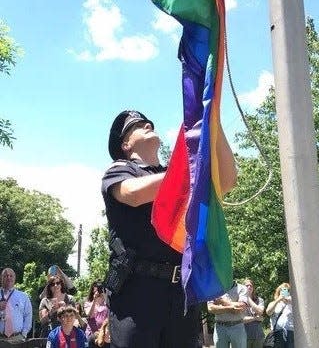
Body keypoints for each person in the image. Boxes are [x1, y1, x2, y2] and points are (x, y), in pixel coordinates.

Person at [101, 110, 237, 348]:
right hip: (138, 292)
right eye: (137, 125)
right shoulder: (120, 171)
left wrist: (212, 123)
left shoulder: (177, 177)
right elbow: (134, 194)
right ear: (125, 143)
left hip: (181, 291)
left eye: (149, 122)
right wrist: (191, 175)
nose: (148, 124)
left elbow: (227, 181)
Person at [207, 282, 248, 348]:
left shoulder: (242, 288)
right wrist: (230, 308)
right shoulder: (214, 288)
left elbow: (241, 307)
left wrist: (222, 301)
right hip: (220, 327)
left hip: (237, 326)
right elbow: (210, 308)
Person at [0, 267, 32, 344]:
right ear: (1, 278)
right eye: (5, 275)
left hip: (17, 338)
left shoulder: (23, 296)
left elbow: (28, 315)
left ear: (15, 278)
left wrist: (24, 334)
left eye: (11, 276)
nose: (8, 277)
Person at [266, 283, 294, 348]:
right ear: (279, 292)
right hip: (277, 333)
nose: (284, 292)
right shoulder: (273, 303)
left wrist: (290, 300)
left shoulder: (293, 303)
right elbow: (268, 312)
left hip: (290, 333)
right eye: (282, 290)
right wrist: (278, 300)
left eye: (287, 290)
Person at [242, 279, 264, 348]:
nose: (249, 287)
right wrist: (255, 318)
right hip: (244, 336)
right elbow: (240, 319)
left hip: (258, 336)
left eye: (251, 285)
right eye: (246, 285)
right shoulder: (239, 300)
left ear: (253, 288)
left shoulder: (260, 300)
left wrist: (248, 298)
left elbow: (260, 311)